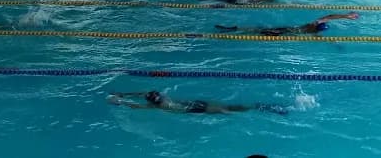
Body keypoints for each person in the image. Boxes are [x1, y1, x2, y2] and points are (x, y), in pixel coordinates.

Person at [108, 91, 287, 115]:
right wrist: (123, 95)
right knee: (231, 108)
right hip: (195, 103)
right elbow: (142, 95)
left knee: (231, 111)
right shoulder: (163, 99)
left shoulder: (157, 105)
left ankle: (262, 107)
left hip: (195, 108)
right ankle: (262, 106)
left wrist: (120, 101)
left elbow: (136, 104)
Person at [214, 12, 359, 36]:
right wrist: (346, 16)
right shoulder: (312, 29)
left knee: (257, 30)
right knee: (256, 32)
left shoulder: (312, 27)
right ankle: (232, 30)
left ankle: (232, 28)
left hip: (286, 29)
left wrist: (346, 16)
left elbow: (328, 17)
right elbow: (329, 17)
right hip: (284, 33)